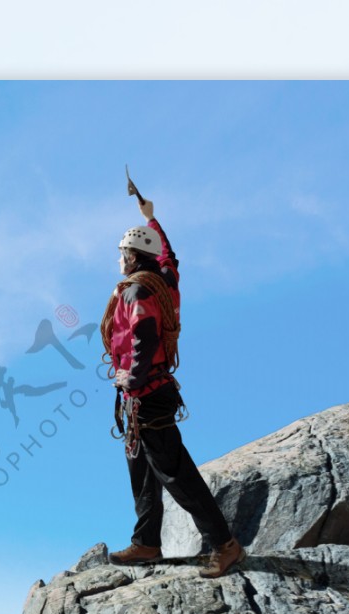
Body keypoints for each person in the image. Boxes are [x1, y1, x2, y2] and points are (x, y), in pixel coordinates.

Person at [103, 195, 245, 579]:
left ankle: (225, 545)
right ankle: (147, 542)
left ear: (132, 256)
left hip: (145, 392)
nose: (119, 260)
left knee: (176, 475)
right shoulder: (164, 281)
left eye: (122, 254)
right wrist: (152, 219)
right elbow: (169, 257)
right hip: (148, 394)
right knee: (144, 472)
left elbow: (144, 336)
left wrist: (129, 379)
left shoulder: (136, 290)